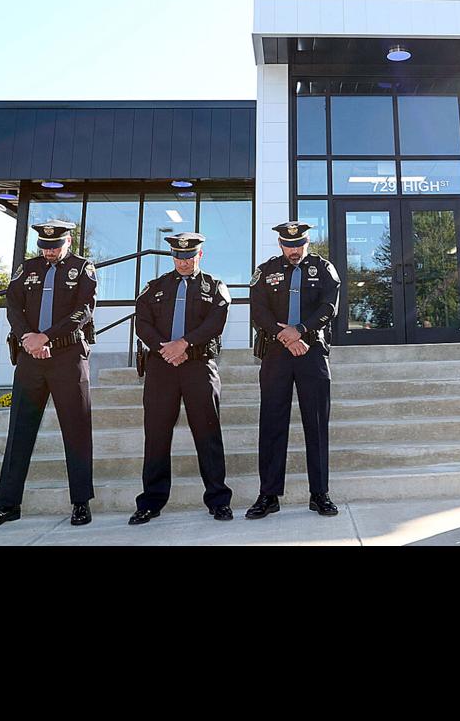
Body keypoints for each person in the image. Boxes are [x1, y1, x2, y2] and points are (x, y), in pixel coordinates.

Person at [0, 220, 98, 529]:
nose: (50, 253)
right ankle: (7, 505)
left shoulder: (83, 269)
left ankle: (80, 503)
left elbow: (83, 310)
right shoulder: (27, 268)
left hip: (68, 357)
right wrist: (29, 337)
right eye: (45, 247)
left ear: (68, 241)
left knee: (76, 430)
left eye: (55, 247)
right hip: (30, 358)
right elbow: (13, 306)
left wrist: (48, 338)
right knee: (19, 432)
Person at [129, 232, 234, 523]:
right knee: (157, 436)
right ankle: (150, 501)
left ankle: (218, 500)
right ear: (172, 256)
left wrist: (184, 344)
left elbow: (215, 322)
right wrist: (166, 349)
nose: (183, 261)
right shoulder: (155, 287)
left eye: (189, 256)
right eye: (178, 256)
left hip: (198, 366)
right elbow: (143, 322)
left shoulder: (214, 287)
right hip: (162, 367)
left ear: (200, 255)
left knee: (208, 434)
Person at [246, 221, 343, 519]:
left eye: (299, 244)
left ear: (307, 242)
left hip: (311, 352)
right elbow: (258, 309)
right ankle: (269, 496)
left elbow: (329, 306)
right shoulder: (265, 270)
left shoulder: (323, 268)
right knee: (272, 424)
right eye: (289, 245)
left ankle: (320, 494)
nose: (294, 250)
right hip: (276, 354)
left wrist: (300, 331)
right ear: (280, 245)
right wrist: (285, 337)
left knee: (316, 424)